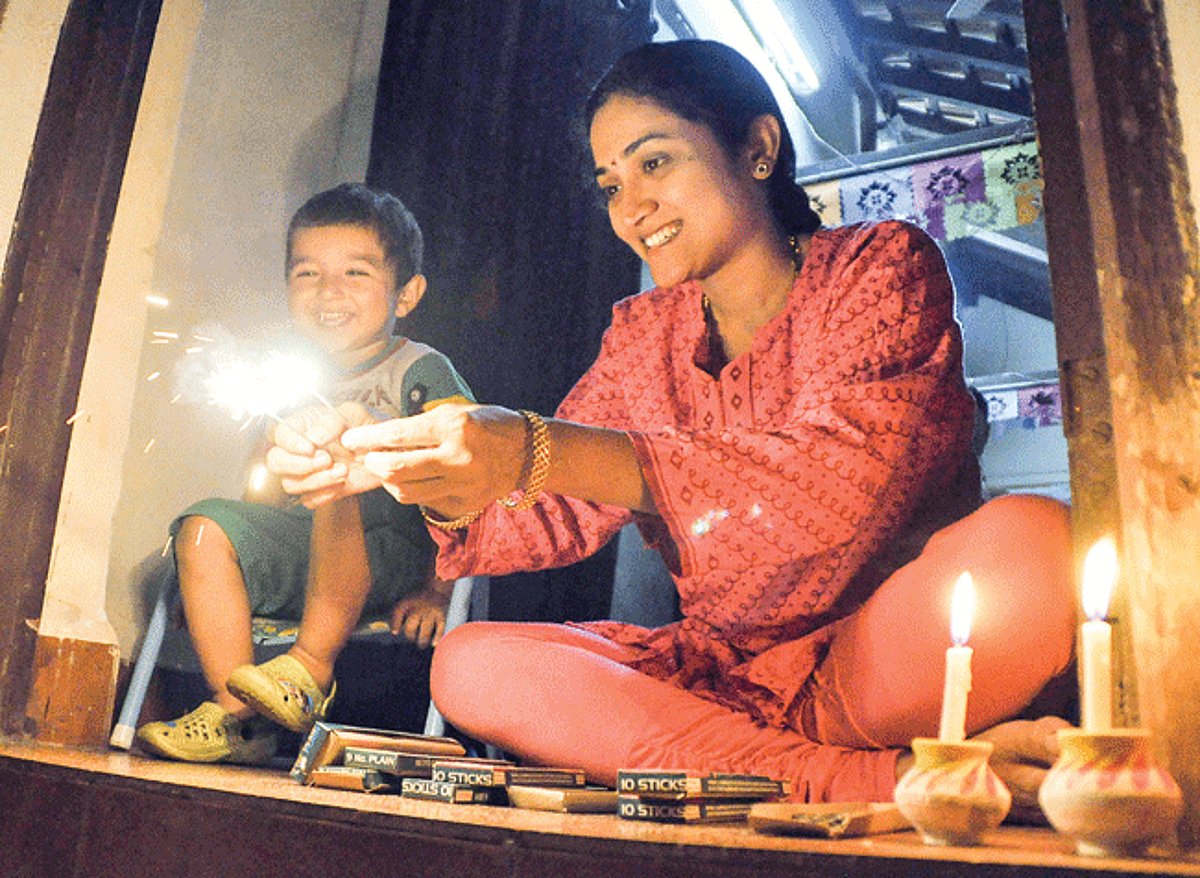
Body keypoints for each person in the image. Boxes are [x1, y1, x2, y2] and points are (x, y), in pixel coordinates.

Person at [268, 41, 1075, 818]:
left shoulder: (879, 267)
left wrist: (535, 450)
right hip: (716, 682)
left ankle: (759, 766)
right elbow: (542, 513)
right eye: (610, 185)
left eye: (654, 163)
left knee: (1034, 547)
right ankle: (869, 779)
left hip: (873, 662)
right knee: (470, 663)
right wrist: (406, 461)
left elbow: (842, 489)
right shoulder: (644, 336)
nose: (632, 207)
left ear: (757, 148)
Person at [137, 183, 474, 764]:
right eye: (307, 274)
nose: (329, 292)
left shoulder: (419, 370)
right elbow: (265, 490)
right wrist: (229, 569)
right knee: (203, 526)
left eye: (355, 273)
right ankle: (236, 715)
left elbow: (470, 480)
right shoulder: (289, 378)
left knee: (333, 477)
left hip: (392, 553)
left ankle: (309, 670)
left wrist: (439, 591)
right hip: (305, 548)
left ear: (407, 293)